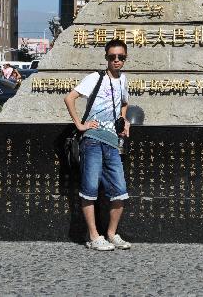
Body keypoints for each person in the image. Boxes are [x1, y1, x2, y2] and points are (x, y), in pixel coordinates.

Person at [64, 38, 131, 251]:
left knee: (120, 190)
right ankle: (94, 236)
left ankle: (111, 234)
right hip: (92, 140)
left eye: (121, 57)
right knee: (90, 189)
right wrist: (80, 124)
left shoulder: (123, 80)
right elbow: (70, 98)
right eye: (112, 57)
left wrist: (124, 120)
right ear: (106, 58)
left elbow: (124, 103)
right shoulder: (95, 78)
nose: (117, 61)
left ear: (125, 58)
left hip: (113, 142)